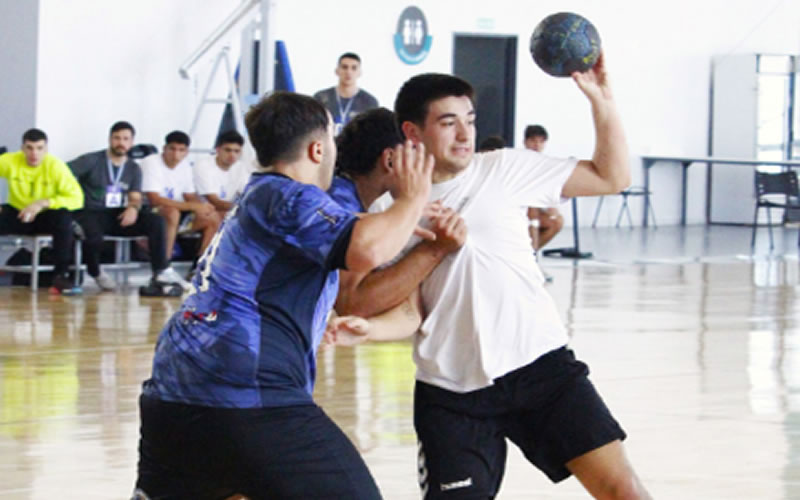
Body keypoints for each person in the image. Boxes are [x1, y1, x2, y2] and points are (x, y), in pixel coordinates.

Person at [336, 56, 652, 499]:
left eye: (469, 120)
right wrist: (376, 322)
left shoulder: (503, 168)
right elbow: (395, 306)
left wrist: (603, 101)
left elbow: (611, 176)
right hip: (452, 392)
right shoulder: (388, 212)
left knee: (624, 491)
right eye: (448, 123)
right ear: (412, 132)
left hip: (541, 367)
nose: (465, 134)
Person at [134, 91, 434, 499]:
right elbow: (365, 251)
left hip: (172, 392)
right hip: (245, 394)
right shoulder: (289, 194)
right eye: (332, 137)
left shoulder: (261, 195)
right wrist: (413, 200)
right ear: (316, 148)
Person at [330, 108, 467, 318]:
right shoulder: (341, 205)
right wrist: (435, 248)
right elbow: (351, 303)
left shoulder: (357, 202)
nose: (425, 169)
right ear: (391, 160)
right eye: (419, 155)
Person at [69, 121, 188, 291]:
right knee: (92, 234)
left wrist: (133, 208)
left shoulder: (133, 168)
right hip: (91, 211)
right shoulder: (91, 160)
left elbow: (135, 196)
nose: (121, 142)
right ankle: (95, 271)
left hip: (116, 214)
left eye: (126, 139)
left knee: (156, 221)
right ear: (110, 139)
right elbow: (63, 173)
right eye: (117, 138)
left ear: (131, 142)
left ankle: (161, 270)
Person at [0, 128, 84, 294]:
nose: (34, 154)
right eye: (29, 148)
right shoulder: (9, 161)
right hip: (18, 213)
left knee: (63, 218)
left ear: (46, 150)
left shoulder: (56, 166)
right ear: (22, 148)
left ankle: (61, 275)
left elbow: (77, 199)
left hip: (45, 215)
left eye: (39, 148)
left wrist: (43, 203)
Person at [140, 130, 221, 266]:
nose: (176, 155)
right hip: (149, 213)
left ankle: (199, 268)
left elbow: (189, 195)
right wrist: (193, 206)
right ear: (164, 149)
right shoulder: (151, 162)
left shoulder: (185, 166)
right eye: (172, 149)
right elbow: (154, 200)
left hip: (177, 213)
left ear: (186, 152)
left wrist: (202, 208)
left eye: (181, 150)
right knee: (172, 213)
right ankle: (163, 267)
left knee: (213, 217)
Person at [313, 52, 379, 135]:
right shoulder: (321, 98)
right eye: (344, 67)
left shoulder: (369, 102)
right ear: (337, 71)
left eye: (354, 68)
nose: (349, 72)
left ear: (359, 72)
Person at [524, 124, 564, 251]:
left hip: (537, 206)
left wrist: (551, 205)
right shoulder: (520, 161)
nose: (537, 145)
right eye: (533, 141)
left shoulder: (546, 164)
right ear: (526, 142)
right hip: (522, 207)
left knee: (557, 221)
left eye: (541, 141)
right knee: (533, 213)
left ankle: (531, 251)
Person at [192, 130, 251, 215]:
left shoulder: (241, 167)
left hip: (227, 211)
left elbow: (247, 194)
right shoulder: (203, 165)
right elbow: (214, 202)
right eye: (228, 150)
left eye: (236, 151)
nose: (232, 155)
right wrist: (245, 208)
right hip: (202, 212)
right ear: (218, 150)